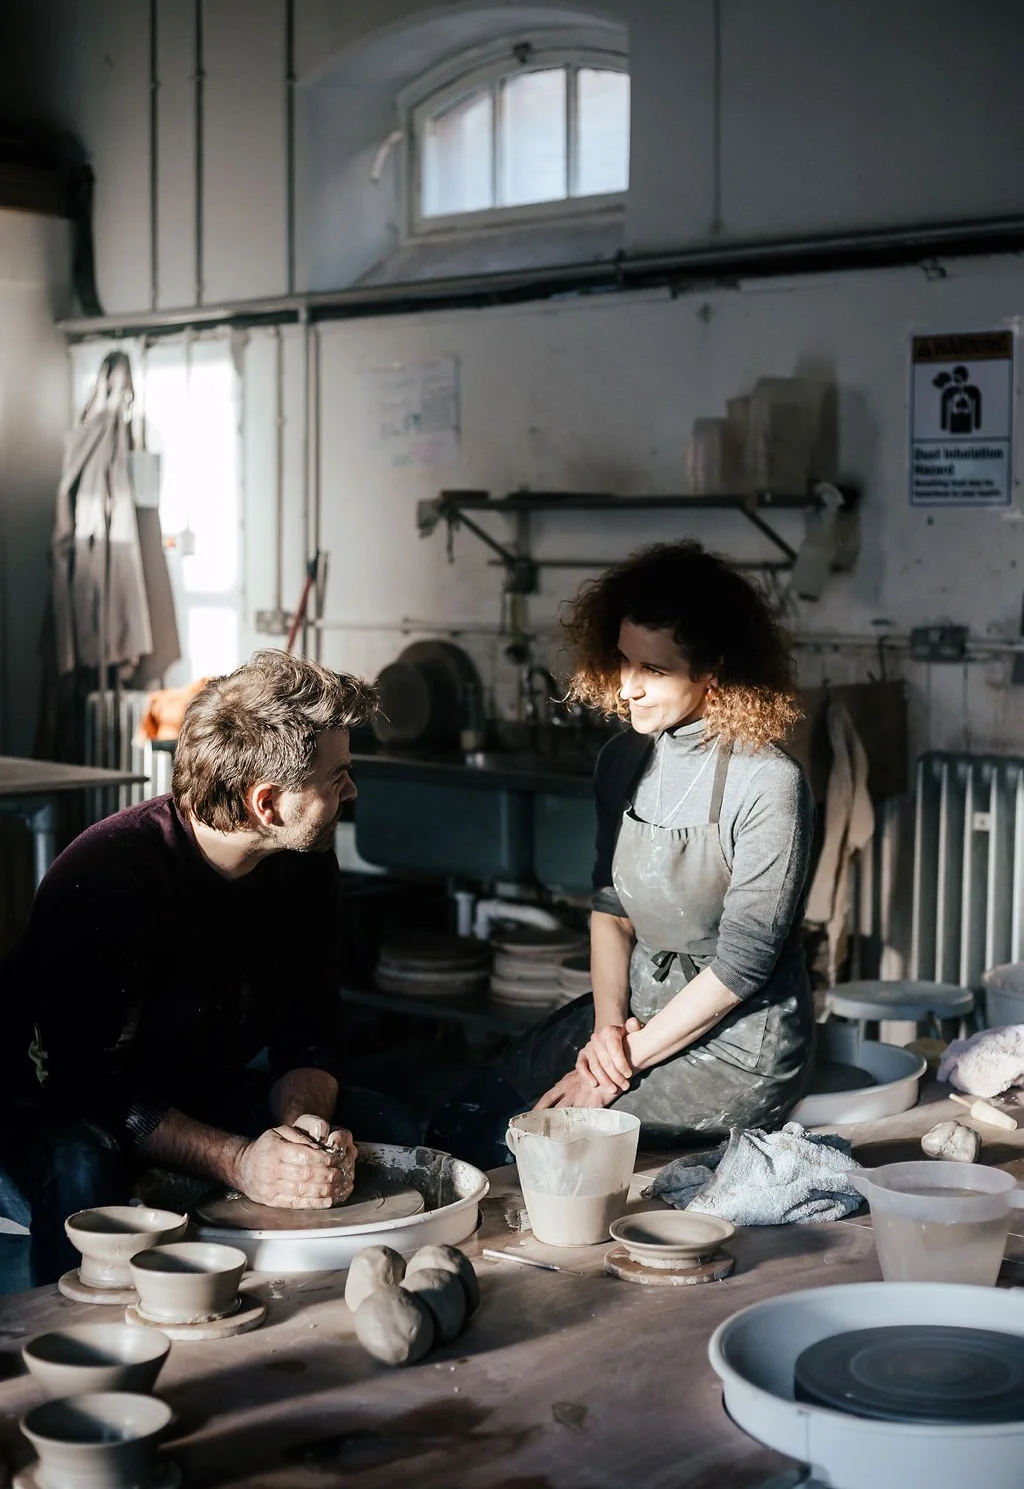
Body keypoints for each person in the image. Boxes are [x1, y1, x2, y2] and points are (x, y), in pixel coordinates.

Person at [0, 650, 418, 1285]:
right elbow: (89, 1084)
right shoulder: (107, 877)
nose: (350, 791)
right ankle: (65, 1353)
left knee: (387, 1125)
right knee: (87, 1167)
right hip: (54, 1103)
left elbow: (309, 1024)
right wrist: (241, 1163)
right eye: (337, 778)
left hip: (194, 1087)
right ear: (267, 803)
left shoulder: (303, 861)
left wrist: (301, 1128)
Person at [429, 541, 815, 1165]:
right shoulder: (625, 760)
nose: (628, 688)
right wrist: (608, 1031)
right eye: (623, 661)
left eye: (654, 671)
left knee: (536, 1147)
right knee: (461, 1124)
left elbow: (743, 965)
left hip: (738, 1046)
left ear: (713, 670)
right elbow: (610, 909)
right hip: (634, 1018)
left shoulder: (768, 783)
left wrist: (611, 1072)